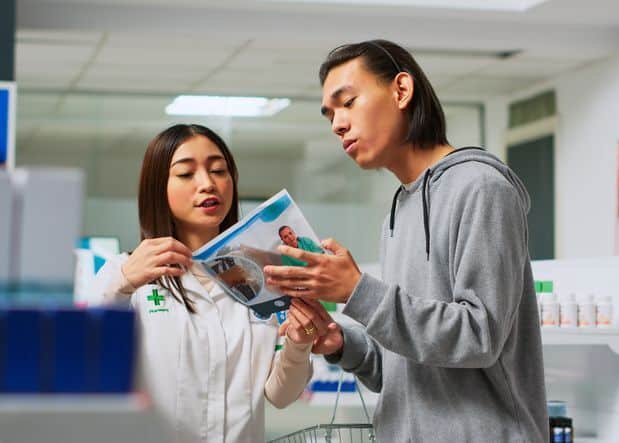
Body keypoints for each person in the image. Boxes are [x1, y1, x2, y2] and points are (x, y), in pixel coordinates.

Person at [264, 40, 548, 442]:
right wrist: (343, 343)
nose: (337, 124)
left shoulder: (481, 188)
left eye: (348, 102)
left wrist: (358, 291)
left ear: (401, 90)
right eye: (330, 114)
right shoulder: (398, 213)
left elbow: (478, 335)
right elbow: (408, 369)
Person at [90, 124, 326, 443]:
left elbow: (280, 396)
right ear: (158, 187)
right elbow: (84, 359)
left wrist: (301, 341)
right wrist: (121, 283)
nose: (207, 183)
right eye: (186, 174)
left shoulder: (261, 275)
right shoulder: (125, 275)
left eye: (218, 170)